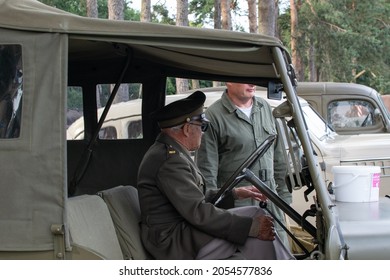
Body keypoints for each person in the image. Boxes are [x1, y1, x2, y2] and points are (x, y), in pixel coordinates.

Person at [137, 90, 294, 260]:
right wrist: (252, 228)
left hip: (181, 230)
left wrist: (234, 193)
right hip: (172, 242)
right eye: (202, 127)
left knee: (256, 215)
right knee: (254, 229)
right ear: (188, 129)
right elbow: (198, 211)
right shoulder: (170, 161)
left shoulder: (171, 153)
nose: (203, 133)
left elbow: (195, 198)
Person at [195, 83, 292, 248]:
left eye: (253, 79)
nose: (252, 84)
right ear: (229, 82)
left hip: (270, 199)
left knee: (280, 255)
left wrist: (284, 201)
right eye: (245, 79)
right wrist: (215, 214)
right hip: (237, 205)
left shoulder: (265, 108)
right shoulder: (214, 116)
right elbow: (207, 173)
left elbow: (279, 160)